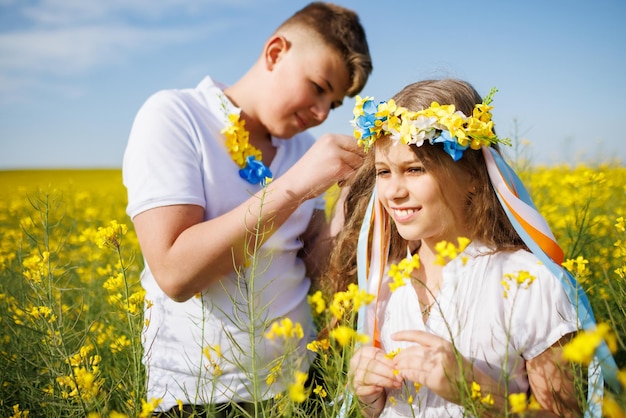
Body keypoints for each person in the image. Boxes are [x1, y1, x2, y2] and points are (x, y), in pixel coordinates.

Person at [122, 2, 372, 415]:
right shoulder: (175, 116)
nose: (322, 113)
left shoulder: (302, 150)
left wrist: (349, 201)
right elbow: (175, 274)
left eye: (334, 104)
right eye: (318, 86)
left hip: (299, 384)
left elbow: (315, 268)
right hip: (201, 394)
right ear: (276, 52)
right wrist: (293, 187)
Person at [336, 79, 619, 417]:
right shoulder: (382, 283)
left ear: (473, 175)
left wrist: (472, 388)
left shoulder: (530, 283)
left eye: (415, 169)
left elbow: (565, 414)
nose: (394, 191)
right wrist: (368, 395)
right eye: (384, 172)